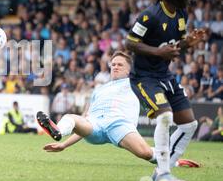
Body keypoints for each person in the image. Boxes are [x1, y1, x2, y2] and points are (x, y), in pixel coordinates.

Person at [37, 51, 199, 170]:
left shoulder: (137, 83)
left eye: (120, 64)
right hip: (95, 124)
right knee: (72, 117)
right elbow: (84, 123)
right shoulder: (99, 89)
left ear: (130, 70)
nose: (115, 67)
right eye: (113, 64)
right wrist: (64, 145)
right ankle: (58, 130)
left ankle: (174, 161)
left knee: (145, 153)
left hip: (119, 124)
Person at [125, 0, 206, 181]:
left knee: (189, 125)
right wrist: (158, 53)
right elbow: (130, 43)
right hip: (144, 77)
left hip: (165, 75)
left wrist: (189, 42)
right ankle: (162, 173)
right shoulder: (149, 16)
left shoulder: (181, 15)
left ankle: (163, 170)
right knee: (165, 117)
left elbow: (175, 45)